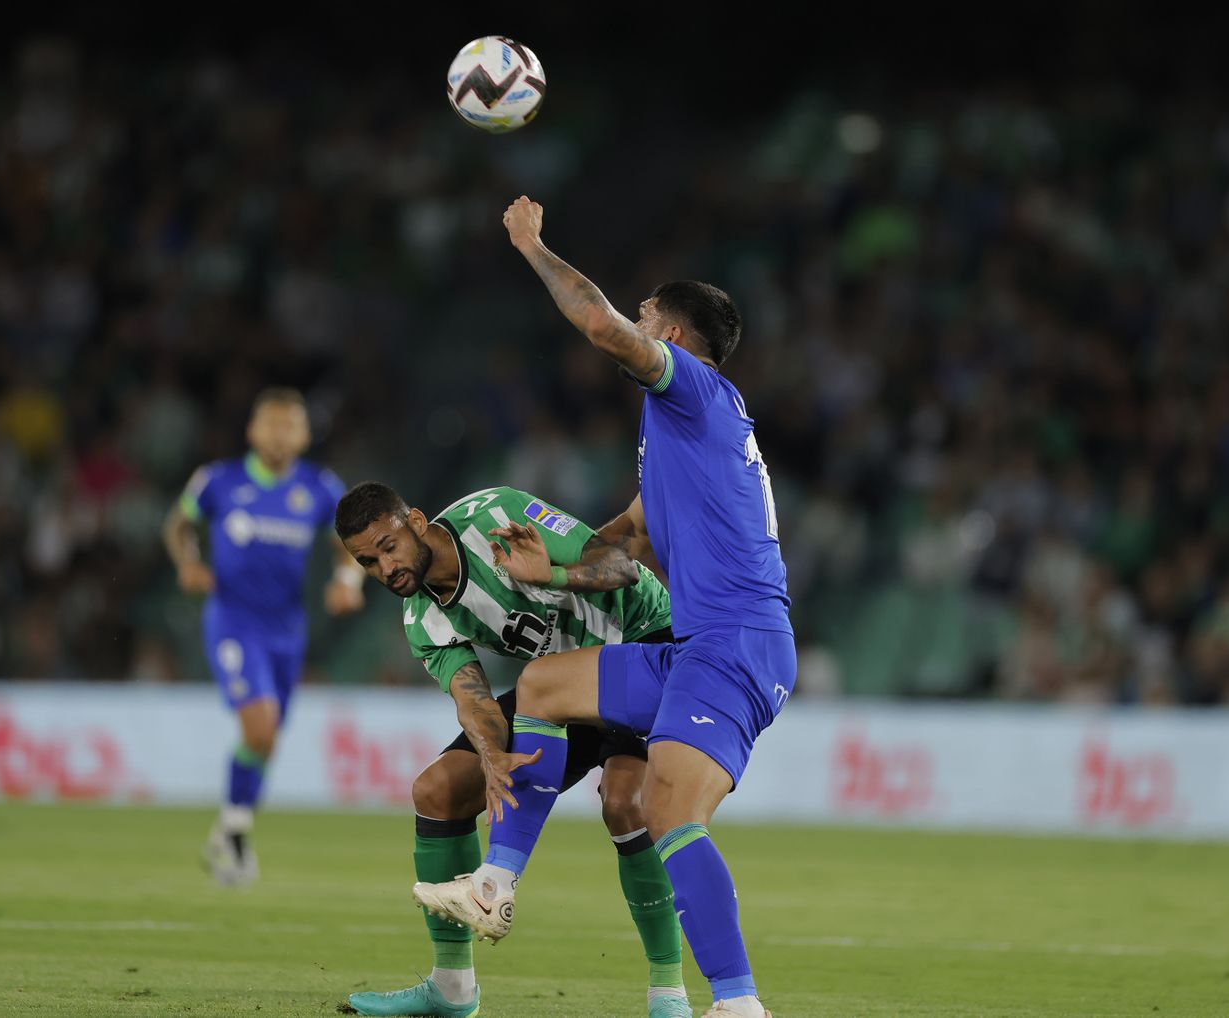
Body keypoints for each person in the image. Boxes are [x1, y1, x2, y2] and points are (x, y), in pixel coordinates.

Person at [413, 197, 796, 1018]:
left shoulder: (697, 393)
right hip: (699, 647)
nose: (637, 320)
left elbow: (599, 325)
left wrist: (533, 246)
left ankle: (737, 1005)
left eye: (650, 314)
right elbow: (619, 546)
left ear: (678, 338)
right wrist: (544, 569)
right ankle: (494, 884)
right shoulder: (678, 441)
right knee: (546, 686)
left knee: (667, 811)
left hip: (736, 643)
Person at [335, 481, 691, 1018]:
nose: (385, 569)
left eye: (389, 547)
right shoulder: (423, 620)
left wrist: (548, 573)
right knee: (437, 791)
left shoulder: (496, 516)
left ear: (415, 520)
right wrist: (491, 755)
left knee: (625, 804)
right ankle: (451, 990)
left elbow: (618, 564)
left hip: (643, 642)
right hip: (558, 692)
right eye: (367, 562)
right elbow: (473, 701)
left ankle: (669, 994)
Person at [161, 387, 364, 885]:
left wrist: (347, 581)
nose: (279, 434)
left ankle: (230, 828)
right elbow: (178, 524)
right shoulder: (219, 480)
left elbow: (348, 545)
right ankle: (233, 835)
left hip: (287, 630)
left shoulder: (318, 488)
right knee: (260, 727)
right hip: (233, 621)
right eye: (270, 424)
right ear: (252, 431)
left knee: (267, 739)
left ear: (304, 434)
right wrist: (188, 563)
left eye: (289, 425)